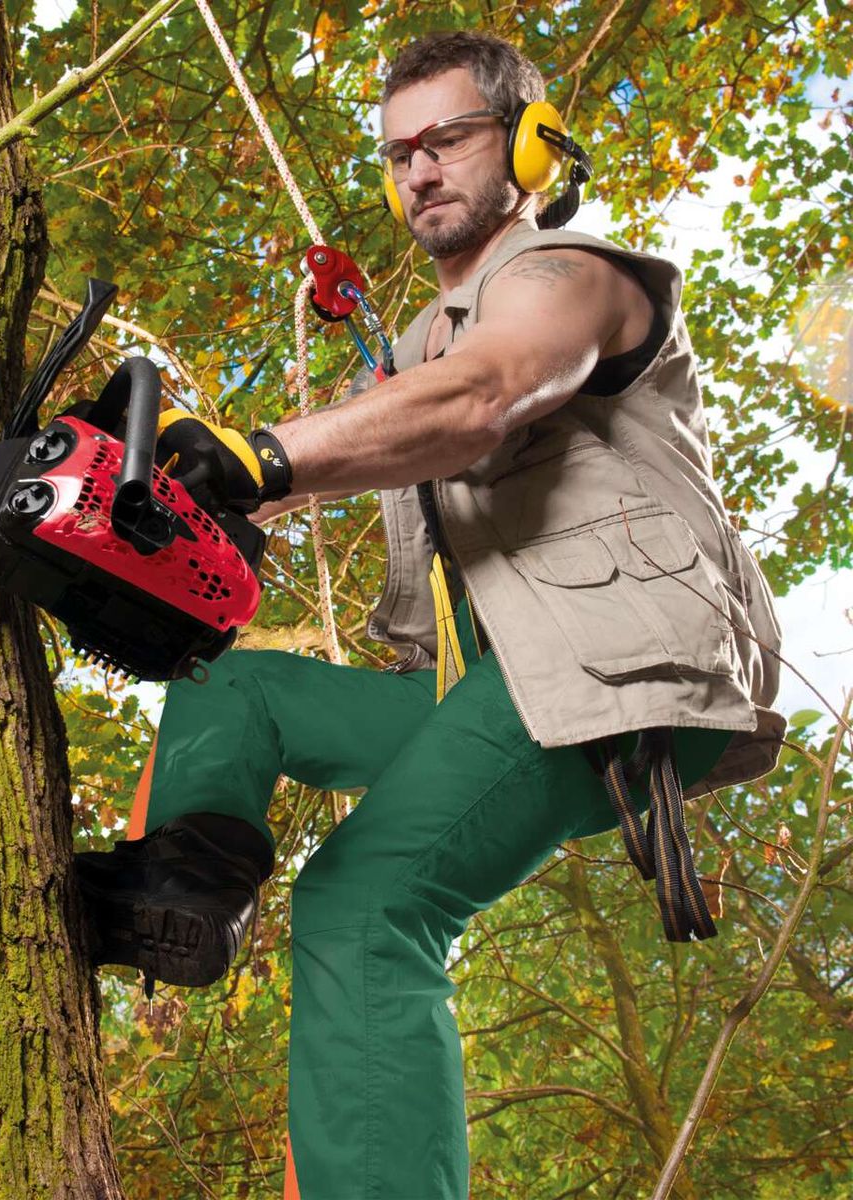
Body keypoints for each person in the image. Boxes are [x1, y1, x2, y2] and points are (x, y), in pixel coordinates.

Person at [74, 31, 784, 1200]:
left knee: (363, 905)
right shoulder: (412, 354)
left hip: (609, 672)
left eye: (448, 138)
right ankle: (183, 894)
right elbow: (390, 434)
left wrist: (261, 458)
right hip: (487, 691)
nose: (418, 170)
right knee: (234, 684)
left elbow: (486, 397)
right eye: (399, 151)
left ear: (532, 143)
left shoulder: (573, 277)